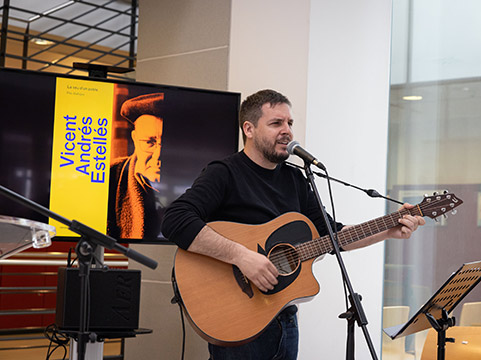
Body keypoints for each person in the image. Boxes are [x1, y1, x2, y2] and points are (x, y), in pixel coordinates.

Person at [161, 89, 425, 360]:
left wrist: (388, 230)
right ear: (249, 129)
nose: (287, 131)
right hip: (236, 321)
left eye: (290, 123)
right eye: (276, 123)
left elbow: (331, 235)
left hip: (283, 317)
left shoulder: (296, 179)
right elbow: (175, 219)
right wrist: (241, 256)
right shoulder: (225, 172)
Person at [108, 92, 164, 240]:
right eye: (149, 143)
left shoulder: (201, 182)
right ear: (134, 139)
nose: (158, 156)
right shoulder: (111, 176)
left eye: (166, 144)